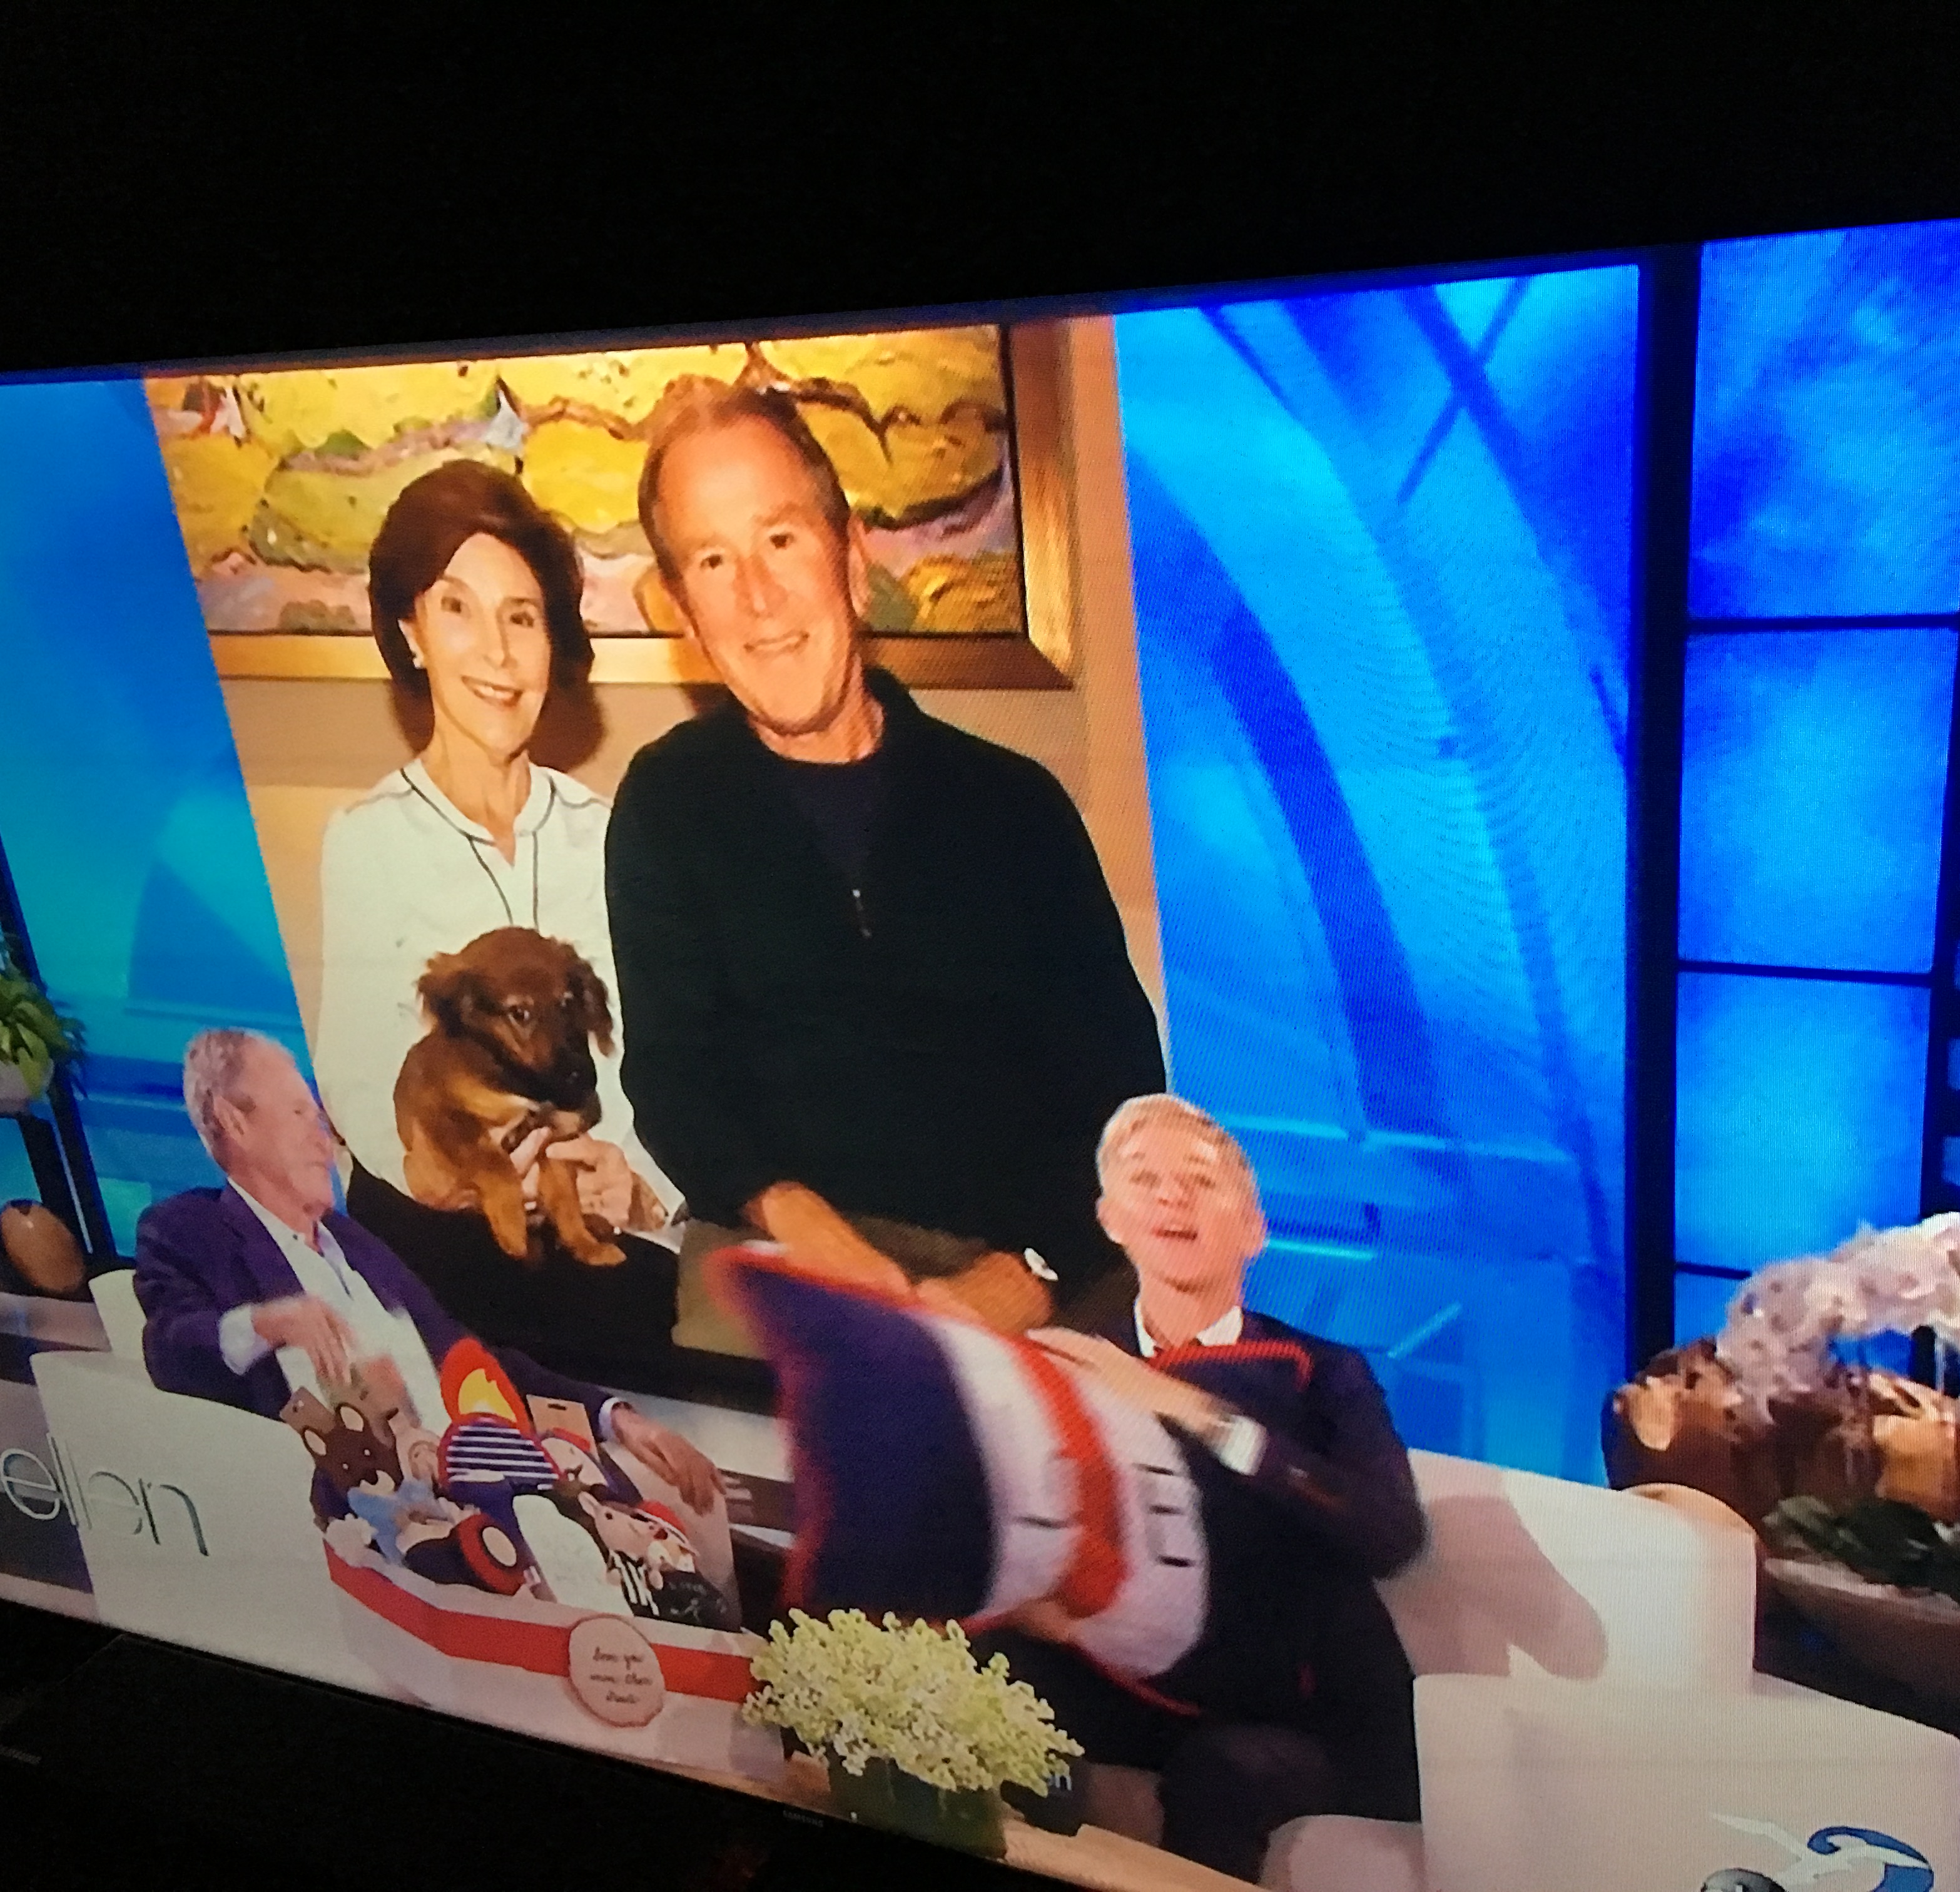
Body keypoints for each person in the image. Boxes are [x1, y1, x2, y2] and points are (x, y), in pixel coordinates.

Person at [605, 380, 1168, 1345]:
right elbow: (673, 1079)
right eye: (713, 559)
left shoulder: (1015, 806)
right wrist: (809, 1229)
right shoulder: (666, 802)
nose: (757, 596)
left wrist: (1030, 1272)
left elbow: (1120, 1092)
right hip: (779, 1258)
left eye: (781, 539)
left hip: (1024, 1269)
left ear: (852, 560)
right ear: (685, 614)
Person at [993, 1094, 1426, 1882]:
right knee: (988, 1677)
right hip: (1140, 1687)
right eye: (1144, 1179)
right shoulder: (1065, 1362)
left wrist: (1193, 1411)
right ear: (1111, 1218)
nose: (1172, 1198)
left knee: (1222, 1770)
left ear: (1254, 1229)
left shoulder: (1324, 1373)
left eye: (1199, 1181)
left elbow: (1390, 1534)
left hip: (1308, 1713)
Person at [315, 459, 681, 1380]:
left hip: (599, 1246)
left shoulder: (614, 835)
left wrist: (637, 1178)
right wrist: (435, 1170)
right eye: (458, 609)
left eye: (522, 617)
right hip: (440, 1250)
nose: (497, 653)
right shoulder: (366, 840)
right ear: (410, 633)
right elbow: (357, 1072)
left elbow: (659, 1061)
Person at [133, 1028, 716, 1515]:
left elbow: (471, 1359)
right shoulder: (189, 1230)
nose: (322, 1138)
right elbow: (171, 1350)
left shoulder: (356, 1243)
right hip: (385, 1518)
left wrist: (616, 1418)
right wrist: (269, 1323)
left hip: (490, 1480)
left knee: (657, 1525)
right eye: (299, 1113)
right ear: (234, 1122)